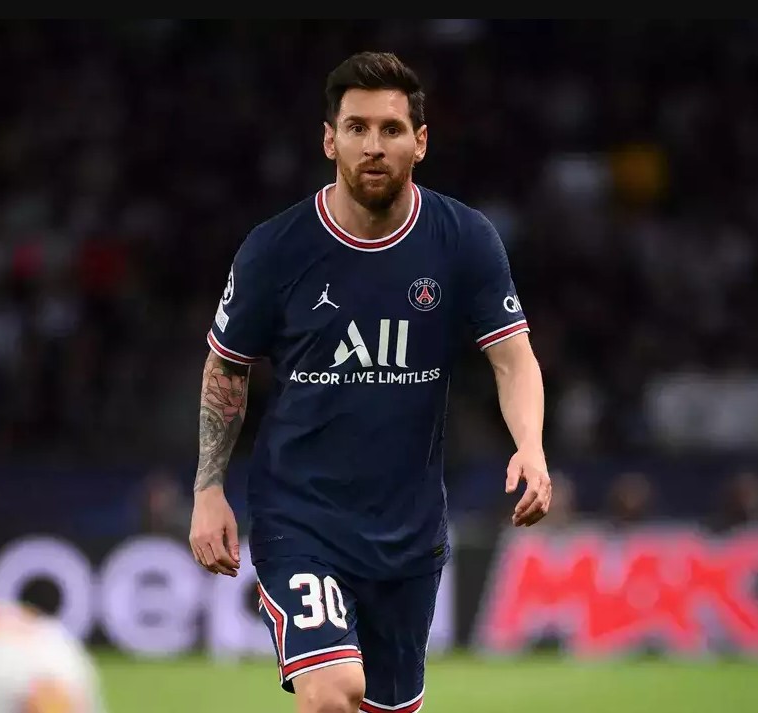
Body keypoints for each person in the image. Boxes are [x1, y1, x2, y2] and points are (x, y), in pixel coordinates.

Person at [189, 51, 552, 713]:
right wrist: (208, 487)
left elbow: (513, 358)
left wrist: (530, 445)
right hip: (299, 519)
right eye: (356, 128)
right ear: (330, 140)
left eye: (391, 128)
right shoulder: (276, 249)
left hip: (408, 533)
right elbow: (227, 366)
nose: (373, 145)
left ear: (421, 141)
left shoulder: (463, 240)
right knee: (333, 693)